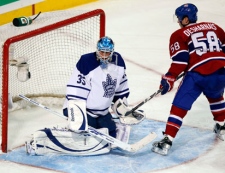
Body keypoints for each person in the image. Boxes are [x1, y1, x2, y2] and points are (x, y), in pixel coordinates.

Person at [25, 36, 145, 156]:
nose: (104, 55)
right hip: (84, 110)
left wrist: (122, 108)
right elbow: (76, 90)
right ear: (97, 50)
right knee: (83, 136)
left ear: (112, 52)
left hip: (102, 112)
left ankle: (100, 127)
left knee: (111, 132)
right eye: (101, 52)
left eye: (107, 53)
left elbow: (120, 89)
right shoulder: (86, 62)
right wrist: (76, 114)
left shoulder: (119, 63)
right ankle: (48, 138)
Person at [151, 3, 225, 156]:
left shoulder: (179, 34)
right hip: (220, 72)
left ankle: (167, 141)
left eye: (179, 19)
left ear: (185, 19)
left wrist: (169, 78)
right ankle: (222, 126)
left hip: (197, 75)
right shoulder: (214, 27)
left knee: (180, 105)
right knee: (215, 96)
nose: (178, 21)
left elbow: (181, 61)